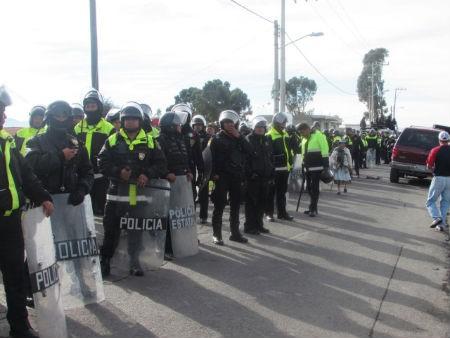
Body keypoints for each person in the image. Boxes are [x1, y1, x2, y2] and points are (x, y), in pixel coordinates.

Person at [0, 87, 54, 338]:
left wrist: (42, 196)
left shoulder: (6, 141)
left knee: (15, 276)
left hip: (10, 222)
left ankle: (19, 327)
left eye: (3, 110)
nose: (3, 115)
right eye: (0, 110)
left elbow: (26, 175)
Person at [98, 102, 167, 276]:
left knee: (136, 231)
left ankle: (134, 261)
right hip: (115, 195)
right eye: (127, 119)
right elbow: (102, 162)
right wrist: (118, 172)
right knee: (111, 230)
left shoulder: (150, 141)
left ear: (140, 121)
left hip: (140, 196)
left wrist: (147, 174)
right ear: (122, 121)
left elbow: (161, 164)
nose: (130, 122)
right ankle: (105, 261)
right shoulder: (112, 139)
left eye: (134, 119)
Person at [210, 110, 253, 245]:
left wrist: (239, 136)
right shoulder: (216, 139)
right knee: (219, 205)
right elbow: (209, 158)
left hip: (236, 176)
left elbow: (250, 151)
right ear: (222, 124)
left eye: (231, 122)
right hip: (221, 176)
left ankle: (235, 233)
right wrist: (213, 175)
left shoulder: (239, 138)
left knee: (235, 206)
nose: (229, 125)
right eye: (226, 122)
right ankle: (217, 234)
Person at [157, 112, 193, 259]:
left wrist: (188, 171)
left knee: (179, 214)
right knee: (166, 216)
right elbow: (158, 161)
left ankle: (181, 243)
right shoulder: (160, 140)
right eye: (177, 125)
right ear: (170, 126)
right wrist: (166, 173)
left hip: (181, 182)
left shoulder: (181, 140)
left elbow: (185, 159)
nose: (180, 127)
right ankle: (165, 248)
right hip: (168, 182)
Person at [74, 89, 115, 215]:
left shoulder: (109, 128)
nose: (90, 109)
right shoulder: (77, 127)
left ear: (99, 107)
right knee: (84, 212)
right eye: (88, 106)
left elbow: (113, 154)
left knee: (102, 212)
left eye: (93, 106)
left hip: (102, 179)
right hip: (82, 178)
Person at [244, 116, 273, 235]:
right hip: (253, 178)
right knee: (251, 203)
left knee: (262, 202)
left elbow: (270, 158)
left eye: (262, 127)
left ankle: (259, 225)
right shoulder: (248, 140)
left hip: (265, 177)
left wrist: (272, 173)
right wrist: (251, 173)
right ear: (253, 127)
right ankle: (249, 227)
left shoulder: (266, 139)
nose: (260, 129)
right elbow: (245, 160)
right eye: (258, 127)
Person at [171, 103, 204, 200]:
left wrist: (201, 172)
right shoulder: (169, 132)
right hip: (172, 170)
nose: (182, 118)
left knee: (190, 196)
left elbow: (198, 155)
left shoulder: (193, 135)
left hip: (189, 170)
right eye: (179, 115)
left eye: (184, 115)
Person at [266, 112, 294, 221]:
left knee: (282, 192)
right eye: (282, 123)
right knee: (271, 193)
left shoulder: (286, 134)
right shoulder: (269, 135)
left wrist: (291, 163)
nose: (284, 125)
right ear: (276, 123)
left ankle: (282, 213)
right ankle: (269, 213)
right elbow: (269, 154)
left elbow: (288, 151)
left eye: (285, 123)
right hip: (274, 169)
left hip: (285, 169)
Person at [297, 123, 329, 217]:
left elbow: (325, 150)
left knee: (314, 188)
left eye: (302, 132)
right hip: (307, 168)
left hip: (317, 168)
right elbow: (303, 154)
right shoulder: (303, 139)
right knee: (309, 188)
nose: (301, 135)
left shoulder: (319, 136)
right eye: (300, 133)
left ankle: (313, 209)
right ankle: (312, 207)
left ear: (307, 129)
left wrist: (326, 167)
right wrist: (303, 166)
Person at [425, 131, 450, 232]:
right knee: (445, 202)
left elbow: (429, 166)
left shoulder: (435, 150)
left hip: (439, 178)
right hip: (449, 179)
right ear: (448, 140)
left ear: (439, 140)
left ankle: (436, 218)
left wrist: (432, 171)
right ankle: (442, 225)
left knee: (430, 201)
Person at [191, 114, 210, 224]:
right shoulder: (189, 136)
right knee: (192, 194)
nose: (198, 127)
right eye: (196, 125)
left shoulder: (209, 138)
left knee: (204, 193)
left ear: (203, 126)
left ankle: (203, 216)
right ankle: (191, 215)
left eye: (200, 125)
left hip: (204, 168)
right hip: (192, 168)